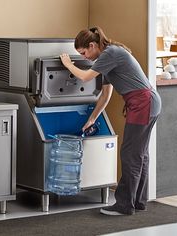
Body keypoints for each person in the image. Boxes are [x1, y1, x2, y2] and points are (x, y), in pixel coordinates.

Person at [60, 26, 162, 216]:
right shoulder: (106, 59)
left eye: (83, 53)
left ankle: (124, 205)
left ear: (92, 45)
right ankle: (138, 201)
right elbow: (105, 96)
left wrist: (68, 64)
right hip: (146, 103)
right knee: (140, 154)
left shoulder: (110, 53)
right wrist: (92, 119)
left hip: (143, 103)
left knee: (130, 154)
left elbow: (84, 76)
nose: (84, 58)